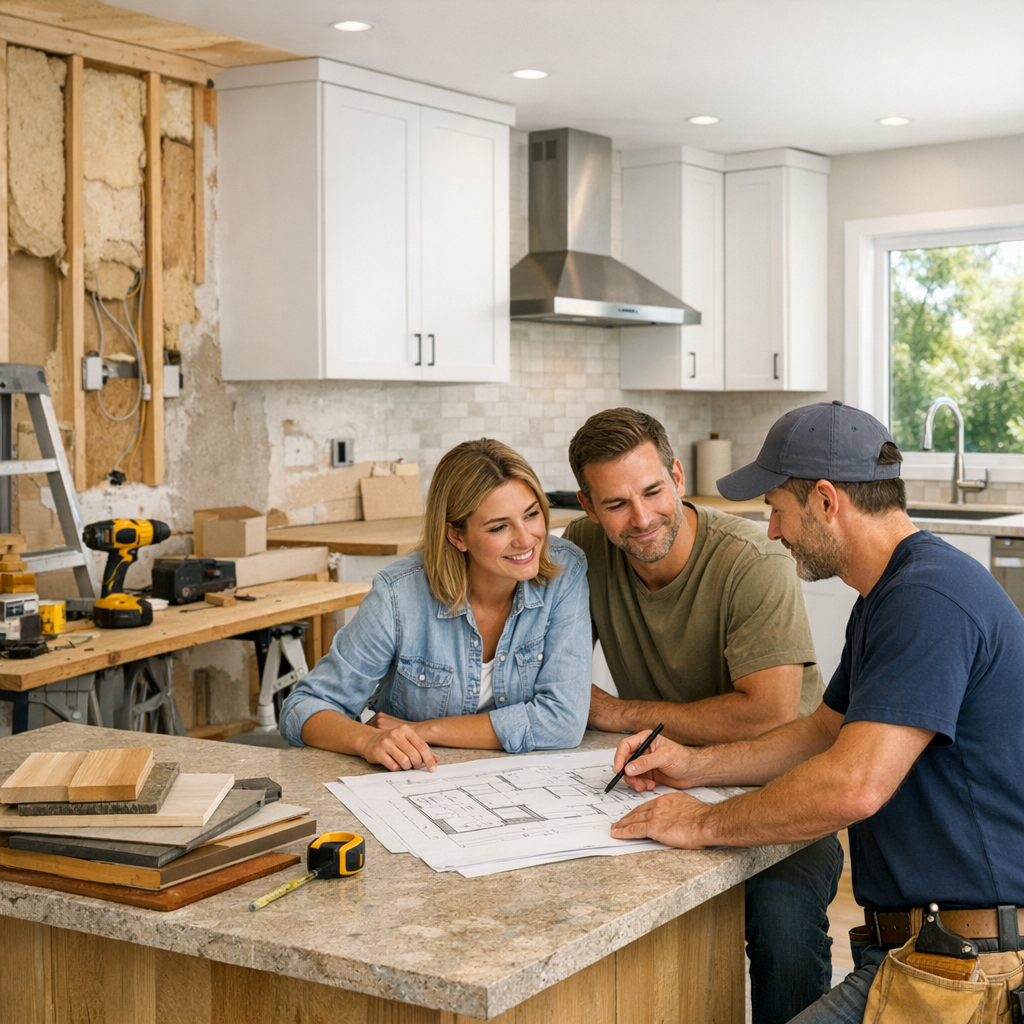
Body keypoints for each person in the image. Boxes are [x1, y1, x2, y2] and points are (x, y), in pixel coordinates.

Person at [608, 401, 1024, 1024]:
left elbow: (853, 784)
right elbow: (820, 735)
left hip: (973, 969)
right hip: (924, 953)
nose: (772, 531)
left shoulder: (926, 599)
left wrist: (702, 825)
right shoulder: (889, 594)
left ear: (826, 500)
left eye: (776, 509)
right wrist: (688, 766)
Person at [564, 408, 842, 1024]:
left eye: (653, 491)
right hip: (659, 783)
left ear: (678, 475)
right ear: (587, 505)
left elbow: (766, 713)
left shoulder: (752, 561)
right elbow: (550, 674)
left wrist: (618, 712)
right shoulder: (582, 551)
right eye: (615, 505)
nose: (639, 519)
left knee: (781, 925)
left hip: (782, 790)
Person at [280, 439, 591, 769]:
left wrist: (423, 730)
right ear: (456, 536)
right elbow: (304, 706)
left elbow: (564, 721)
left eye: (531, 515)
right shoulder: (399, 596)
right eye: (499, 526)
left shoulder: (564, 571)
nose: (526, 539)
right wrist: (367, 740)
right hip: (418, 784)